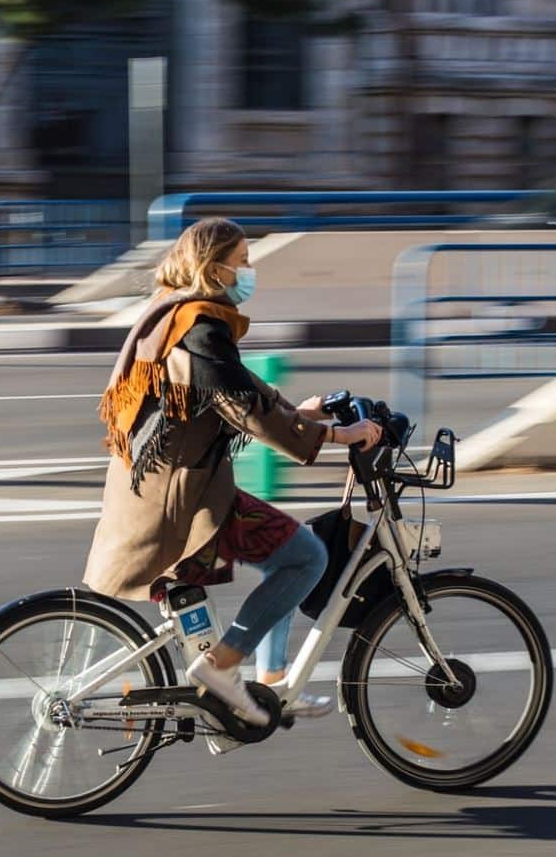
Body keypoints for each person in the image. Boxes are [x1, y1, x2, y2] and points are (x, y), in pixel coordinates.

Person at [84, 217, 382, 727]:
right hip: (181, 497)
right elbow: (245, 408)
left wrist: (300, 414)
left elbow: (238, 386)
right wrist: (335, 436)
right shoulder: (201, 325)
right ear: (214, 266)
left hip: (166, 485)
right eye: (242, 260)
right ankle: (222, 666)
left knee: (283, 556)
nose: (249, 270)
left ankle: (270, 685)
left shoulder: (174, 310)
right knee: (306, 558)